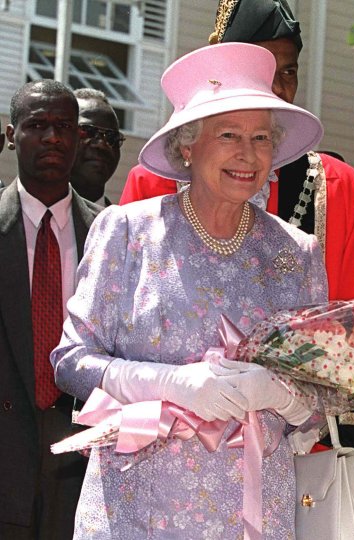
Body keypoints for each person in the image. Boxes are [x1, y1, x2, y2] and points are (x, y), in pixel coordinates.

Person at [51, 43, 326, 539]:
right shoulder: (129, 232)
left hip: (252, 515)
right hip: (135, 512)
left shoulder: (294, 253)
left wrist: (281, 396)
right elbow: (71, 362)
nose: (249, 154)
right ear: (186, 146)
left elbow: (321, 405)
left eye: (261, 137)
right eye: (229, 135)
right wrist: (173, 385)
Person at [117, 0, 354, 325]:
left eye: (288, 71)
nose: (276, 87)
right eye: (260, 71)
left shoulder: (339, 188)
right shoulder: (152, 185)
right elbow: (110, 330)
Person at [0, 80, 101, 540]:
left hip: (79, 456)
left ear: (79, 139)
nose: (52, 138)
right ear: (10, 135)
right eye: (37, 125)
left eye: (64, 127)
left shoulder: (108, 234)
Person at [70, 89, 123, 205]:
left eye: (111, 137)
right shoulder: (34, 218)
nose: (101, 145)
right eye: (87, 132)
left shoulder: (123, 222)